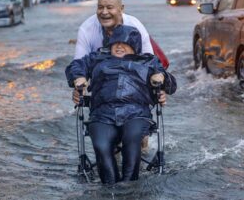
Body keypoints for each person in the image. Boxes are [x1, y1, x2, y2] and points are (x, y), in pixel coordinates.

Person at [65, 25, 177, 184]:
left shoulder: (148, 61)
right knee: (101, 145)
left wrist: (162, 76)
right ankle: (110, 187)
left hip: (136, 113)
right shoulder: (97, 58)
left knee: (132, 140)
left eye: (124, 43)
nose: (119, 46)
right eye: (115, 43)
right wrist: (78, 77)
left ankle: (129, 187)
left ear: (135, 46)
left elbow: (172, 86)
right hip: (102, 114)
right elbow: (75, 66)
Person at [72, 0, 168, 105]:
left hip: (133, 91)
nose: (104, 12)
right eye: (100, 7)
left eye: (109, 7)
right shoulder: (87, 29)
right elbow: (79, 64)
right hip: (103, 91)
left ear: (121, 9)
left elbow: (149, 62)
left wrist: (159, 88)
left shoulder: (135, 26)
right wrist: (78, 86)